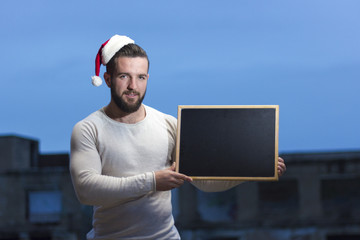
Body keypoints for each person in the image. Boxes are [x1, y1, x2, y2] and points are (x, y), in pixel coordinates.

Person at [70, 34, 287, 240]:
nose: (133, 86)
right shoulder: (88, 129)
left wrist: (253, 168)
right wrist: (152, 181)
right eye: (124, 76)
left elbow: (204, 181)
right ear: (107, 79)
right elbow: (87, 190)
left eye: (141, 77)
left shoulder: (168, 124)